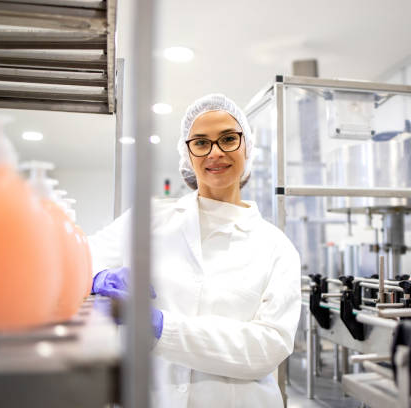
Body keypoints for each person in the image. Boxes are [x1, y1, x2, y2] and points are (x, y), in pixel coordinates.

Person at [88, 94, 302, 408]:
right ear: (188, 154)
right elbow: (78, 259)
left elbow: (268, 347)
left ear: (247, 146)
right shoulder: (147, 219)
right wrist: (97, 277)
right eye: (201, 143)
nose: (215, 153)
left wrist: (160, 328)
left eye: (228, 139)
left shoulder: (276, 247)